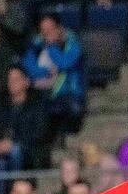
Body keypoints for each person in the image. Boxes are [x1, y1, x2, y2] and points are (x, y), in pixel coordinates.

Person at [21, 13, 86, 141]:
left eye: (50, 29)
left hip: (68, 93)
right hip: (40, 89)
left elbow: (65, 64)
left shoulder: (74, 44)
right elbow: (29, 67)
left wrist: (52, 47)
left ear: (59, 28)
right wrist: (47, 71)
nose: (47, 34)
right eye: (43, 31)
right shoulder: (36, 45)